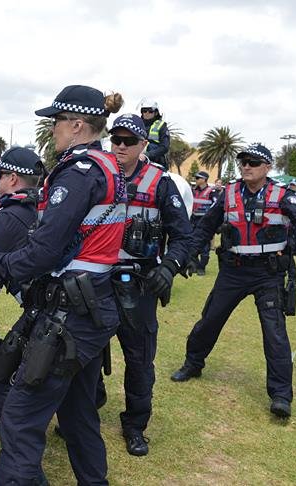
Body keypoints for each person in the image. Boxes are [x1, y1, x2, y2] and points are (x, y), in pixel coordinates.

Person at [0, 85, 128, 485]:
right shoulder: (108, 165)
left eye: (56, 121)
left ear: (76, 125)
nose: (52, 129)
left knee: (22, 414)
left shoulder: (78, 174)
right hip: (93, 304)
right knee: (77, 414)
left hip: (71, 314)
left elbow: (41, 253)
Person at [170, 143, 296, 418]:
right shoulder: (228, 193)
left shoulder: (283, 195)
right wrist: (189, 253)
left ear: (267, 167)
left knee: (274, 333)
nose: (246, 165)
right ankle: (193, 363)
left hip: (268, 274)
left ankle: (281, 395)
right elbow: (207, 225)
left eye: (254, 162)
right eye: (243, 161)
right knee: (210, 319)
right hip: (233, 271)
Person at [92, 113, 192, 456]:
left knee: (139, 360)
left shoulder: (162, 183)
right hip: (96, 280)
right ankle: (86, 409)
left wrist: (169, 268)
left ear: (143, 145)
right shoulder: (96, 175)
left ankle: (135, 425)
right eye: (115, 140)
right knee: (84, 351)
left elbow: (183, 237)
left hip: (140, 284)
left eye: (128, 141)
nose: (120, 146)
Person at [0, 147, 42, 438]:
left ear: (13, 178)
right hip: (51, 304)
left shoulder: (12, 215)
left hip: (40, 308)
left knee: (3, 367)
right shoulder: (37, 207)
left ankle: (4, 419)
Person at [190, 171, 217, 275]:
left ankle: (202, 268)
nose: (196, 180)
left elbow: (215, 206)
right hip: (193, 220)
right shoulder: (193, 191)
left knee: (205, 247)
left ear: (204, 180)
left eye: (198, 178)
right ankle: (194, 265)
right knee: (192, 244)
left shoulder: (212, 192)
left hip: (205, 221)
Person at [138, 99, 170, 170]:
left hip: (156, 163)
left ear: (155, 113)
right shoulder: (137, 125)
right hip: (137, 161)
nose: (147, 113)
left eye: (150, 111)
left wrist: (147, 155)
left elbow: (165, 147)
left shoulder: (161, 126)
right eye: (144, 110)